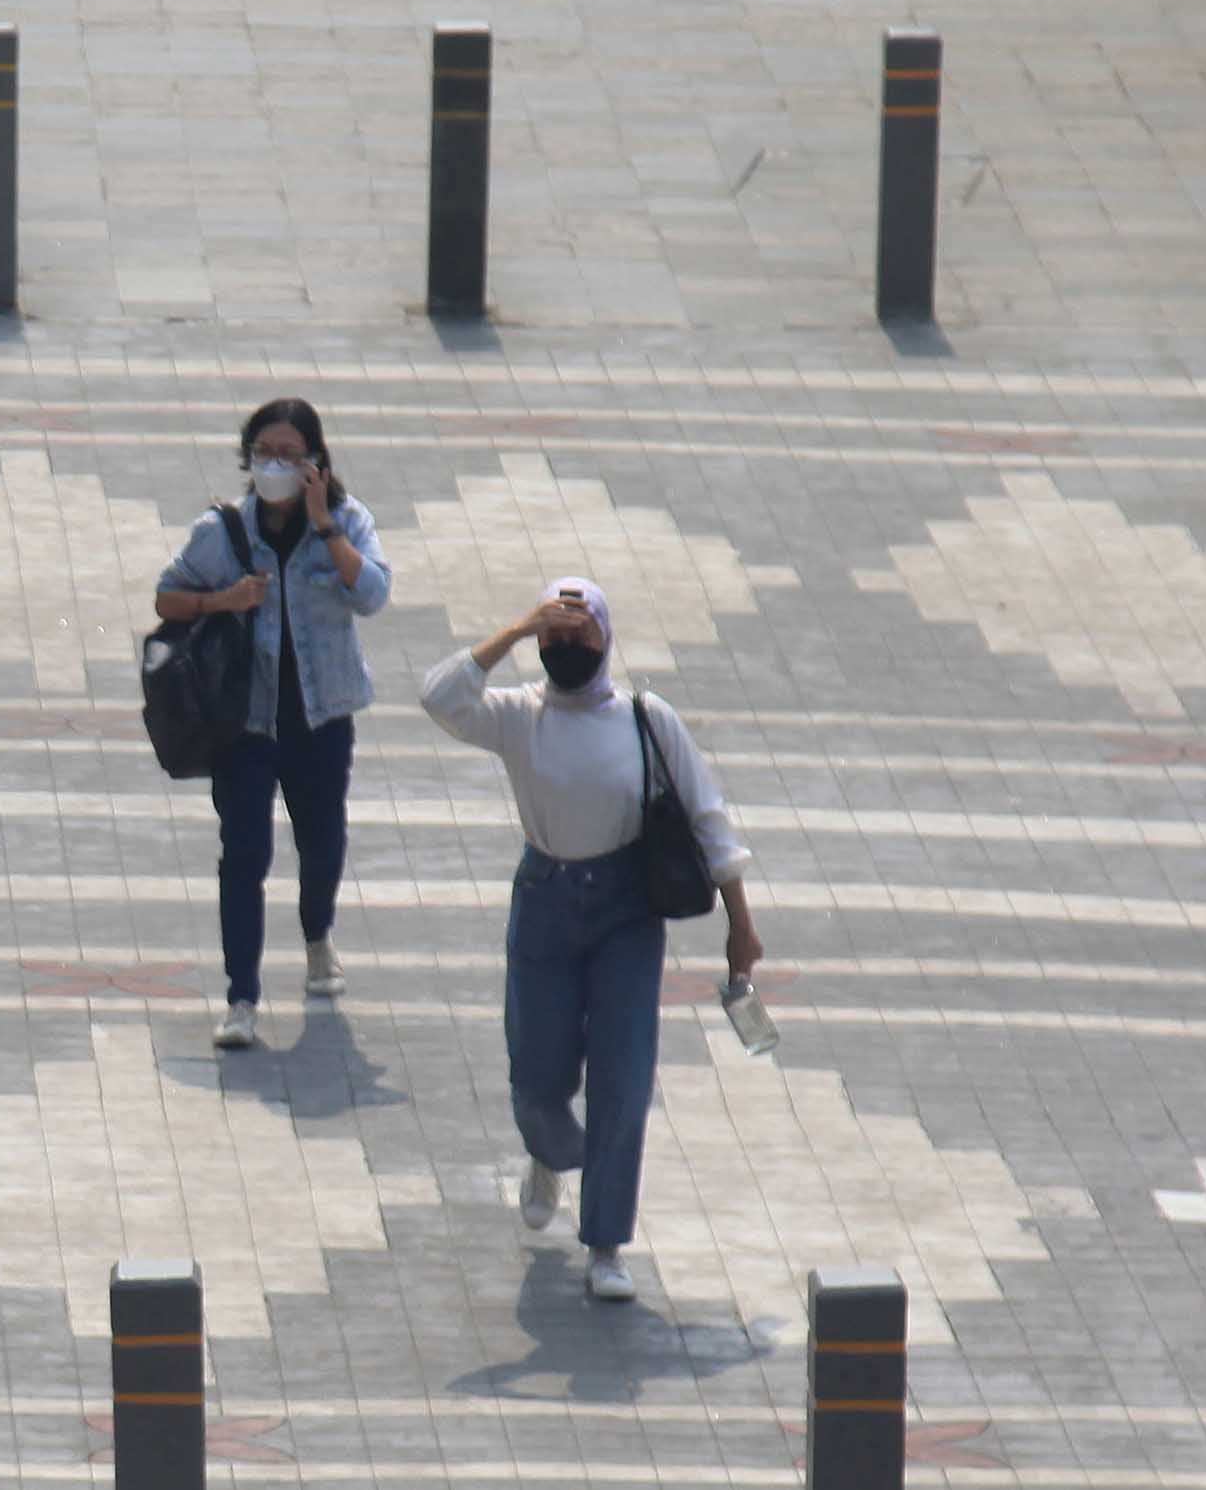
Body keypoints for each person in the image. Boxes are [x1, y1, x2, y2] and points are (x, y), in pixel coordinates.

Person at [420, 578, 763, 1301]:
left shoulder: (646, 717)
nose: (568, 649)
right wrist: (514, 629)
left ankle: (606, 1242)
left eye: (582, 635)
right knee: (536, 1073)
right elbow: (439, 696)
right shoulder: (518, 716)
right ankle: (548, 1155)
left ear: (608, 639)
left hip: (626, 915)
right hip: (544, 901)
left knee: (624, 1080)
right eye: (556, 637)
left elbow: (709, 819)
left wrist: (741, 926)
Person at [153, 399, 393, 1050]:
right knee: (245, 854)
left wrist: (324, 529)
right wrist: (221, 600)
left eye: (290, 454)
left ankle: (317, 932)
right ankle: (242, 998)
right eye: (264, 454)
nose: (276, 466)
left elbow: (372, 594)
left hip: (321, 717)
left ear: (316, 462)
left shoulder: (347, 520)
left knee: (321, 845)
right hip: (245, 723)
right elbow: (166, 595)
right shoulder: (222, 532)